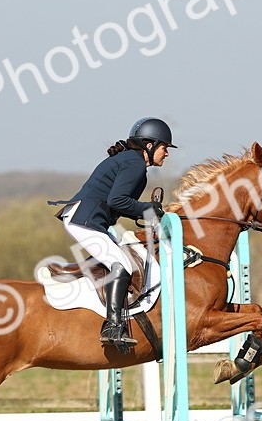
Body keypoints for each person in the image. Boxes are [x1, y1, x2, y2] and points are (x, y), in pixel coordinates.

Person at [49, 117, 174, 351]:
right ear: (149, 145)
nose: (166, 153)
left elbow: (117, 205)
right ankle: (113, 327)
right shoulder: (134, 163)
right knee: (121, 265)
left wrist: (144, 213)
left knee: (124, 259)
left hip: (90, 218)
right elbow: (117, 200)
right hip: (84, 220)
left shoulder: (131, 161)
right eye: (165, 147)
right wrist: (148, 208)